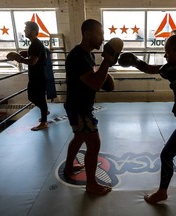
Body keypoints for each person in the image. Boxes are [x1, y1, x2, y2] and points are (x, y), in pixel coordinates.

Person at [118, 34, 176, 204]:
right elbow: (151, 69)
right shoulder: (172, 66)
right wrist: (135, 61)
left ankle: (162, 192)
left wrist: (175, 80)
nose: (165, 56)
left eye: (168, 52)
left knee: (166, 155)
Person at [63, 19, 115, 195]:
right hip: (79, 107)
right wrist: (106, 63)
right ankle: (91, 184)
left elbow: (106, 84)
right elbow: (94, 84)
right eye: (100, 34)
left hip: (79, 105)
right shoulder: (77, 57)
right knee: (94, 144)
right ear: (87, 34)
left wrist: (109, 62)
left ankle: (68, 167)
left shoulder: (89, 55)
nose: (102, 38)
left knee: (78, 137)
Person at [6, 21, 49, 131]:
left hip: (38, 77)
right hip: (38, 76)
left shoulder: (35, 44)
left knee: (35, 97)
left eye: (27, 29)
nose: (25, 30)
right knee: (36, 97)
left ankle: (44, 121)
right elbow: (36, 57)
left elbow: (33, 62)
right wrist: (25, 53)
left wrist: (17, 58)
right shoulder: (35, 43)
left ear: (33, 31)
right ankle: (44, 111)